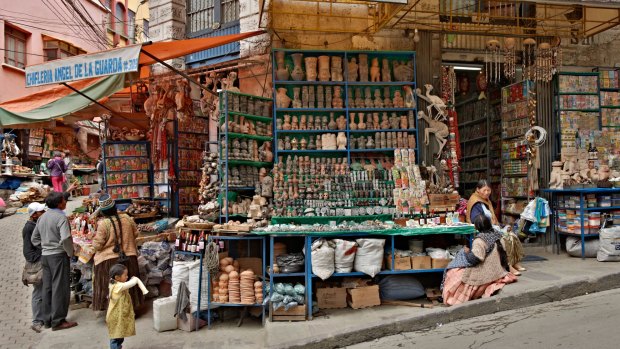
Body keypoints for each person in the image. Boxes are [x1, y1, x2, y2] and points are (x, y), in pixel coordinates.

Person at [441, 214, 518, 306]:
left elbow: (475, 259)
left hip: (487, 273)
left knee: (453, 272)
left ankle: (450, 297)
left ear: (477, 226)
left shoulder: (480, 240)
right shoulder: (498, 234)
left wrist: (466, 252)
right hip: (498, 269)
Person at [31, 192, 78, 331]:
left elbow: (34, 239)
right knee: (60, 288)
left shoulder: (42, 217)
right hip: (58, 256)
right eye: (64, 200)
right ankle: (58, 321)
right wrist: (70, 252)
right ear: (59, 203)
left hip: (46, 256)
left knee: (48, 287)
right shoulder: (61, 217)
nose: (66, 202)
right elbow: (65, 239)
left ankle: (48, 319)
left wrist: (45, 247)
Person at [92, 194, 144, 312]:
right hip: (129, 257)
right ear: (115, 207)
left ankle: (113, 310)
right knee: (129, 285)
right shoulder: (127, 218)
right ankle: (131, 308)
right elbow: (136, 234)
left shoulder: (104, 224)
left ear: (103, 212)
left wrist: (93, 241)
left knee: (110, 285)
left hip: (109, 260)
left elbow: (97, 245)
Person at [466, 180, 526, 275]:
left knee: (512, 235)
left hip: (492, 228)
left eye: (488, 190)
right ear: (478, 190)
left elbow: (493, 218)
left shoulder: (486, 200)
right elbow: (477, 221)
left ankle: (515, 262)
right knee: (505, 238)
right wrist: (492, 228)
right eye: (484, 190)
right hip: (483, 230)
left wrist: (502, 226)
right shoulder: (475, 202)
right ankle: (508, 265)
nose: (486, 193)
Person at [107, 264, 148, 349]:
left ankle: (118, 347)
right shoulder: (117, 286)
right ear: (117, 277)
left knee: (119, 335)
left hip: (118, 316)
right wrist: (135, 279)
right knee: (116, 337)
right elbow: (132, 283)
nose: (127, 277)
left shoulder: (114, 282)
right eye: (125, 275)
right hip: (115, 317)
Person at [22, 202, 46, 332]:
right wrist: (41, 257)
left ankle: (45, 316)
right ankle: (36, 321)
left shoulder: (36, 224)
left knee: (44, 290)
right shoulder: (28, 228)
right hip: (37, 264)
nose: (44, 212)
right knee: (38, 292)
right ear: (34, 214)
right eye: (41, 211)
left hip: (42, 260)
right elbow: (28, 252)